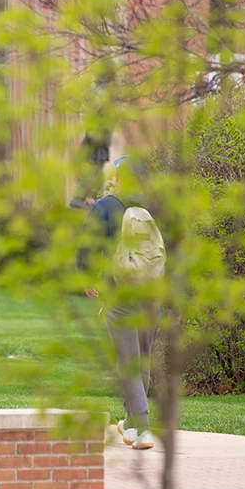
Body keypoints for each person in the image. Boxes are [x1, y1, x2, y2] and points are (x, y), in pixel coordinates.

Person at [77, 156, 158, 451]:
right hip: (152, 296)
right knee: (142, 361)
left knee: (128, 363)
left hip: (120, 294)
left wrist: (88, 277)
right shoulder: (156, 208)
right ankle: (132, 423)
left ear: (119, 179)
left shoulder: (106, 206)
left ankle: (145, 428)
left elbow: (87, 246)